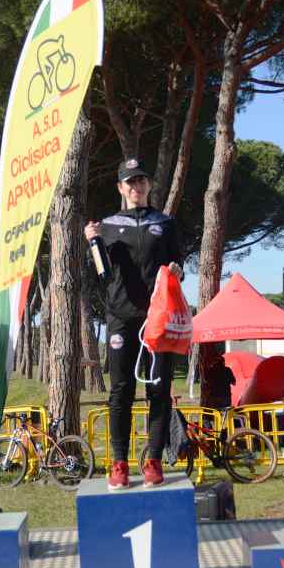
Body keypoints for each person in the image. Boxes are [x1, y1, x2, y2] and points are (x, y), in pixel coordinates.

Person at [84, 158, 184, 489]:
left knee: (158, 389)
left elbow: (178, 261)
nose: (136, 187)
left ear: (148, 186)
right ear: (120, 188)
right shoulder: (107, 225)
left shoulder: (165, 223)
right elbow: (101, 273)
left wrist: (178, 270)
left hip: (157, 317)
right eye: (130, 182)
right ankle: (119, 464)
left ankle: (153, 460)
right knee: (121, 390)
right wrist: (93, 242)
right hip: (120, 317)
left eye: (141, 181)